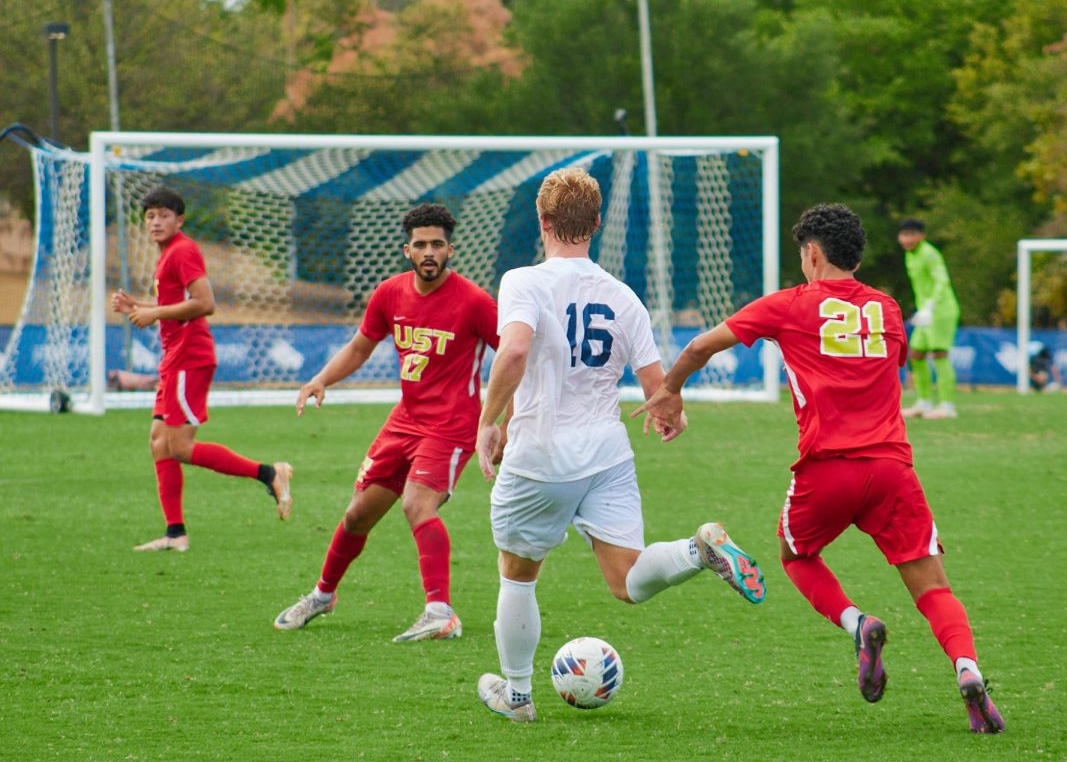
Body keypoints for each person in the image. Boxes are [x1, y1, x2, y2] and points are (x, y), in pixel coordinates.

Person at [635, 204, 1005, 734]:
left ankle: (859, 625)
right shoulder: (888, 308)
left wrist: (669, 390)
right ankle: (967, 671)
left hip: (827, 468)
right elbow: (888, 365)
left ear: (812, 254)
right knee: (933, 588)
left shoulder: (790, 304)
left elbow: (699, 346)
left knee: (796, 554)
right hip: (893, 468)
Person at [473, 167, 765, 723]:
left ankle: (515, 697)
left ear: (543, 221)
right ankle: (695, 550)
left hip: (542, 457)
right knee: (627, 580)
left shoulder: (523, 281)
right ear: (597, 223)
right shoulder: (623, 296)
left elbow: (512, 354)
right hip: (607, 454)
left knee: (517, 572)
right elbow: (659, 389)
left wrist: (489, 421)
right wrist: (669, 413)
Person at [273, 203, 499, 643]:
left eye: (437, 244)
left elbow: (513, 356)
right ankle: (322, 595)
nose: (429, 252)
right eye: (420, 245)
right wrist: (322, 379)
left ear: (451, 249)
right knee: (357, 516)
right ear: (407, 250)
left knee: (418, 505)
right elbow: (360, 347)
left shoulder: (474, 301)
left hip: (451, 426)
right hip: (404, 421)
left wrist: (503, 420)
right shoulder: (389, 293)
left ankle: (440, 611)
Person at [113, 187, 294, 552]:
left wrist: (153, 312)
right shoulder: (167, 256)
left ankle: (270, 473)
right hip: (175, 359)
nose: (156, 221)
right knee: (158, 442)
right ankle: (175, 533)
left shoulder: (183, 250)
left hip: (189, 359)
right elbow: (175, 305)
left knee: (179, 446)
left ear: (179, 220)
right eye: (150, 216)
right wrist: (141, 306)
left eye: (164, 214)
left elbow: (205, 303)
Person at [897, 218, 960, 419]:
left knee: (940, 354)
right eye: (903, 235)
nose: (906, 239)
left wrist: (931, 307)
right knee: (916, 354)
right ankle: (923, 402)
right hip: (925, 312)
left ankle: (947, 406)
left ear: (921, 236)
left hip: (941, 311)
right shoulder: (910, 255)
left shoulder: (929, 253)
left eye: (911, 234)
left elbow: (942, 280)